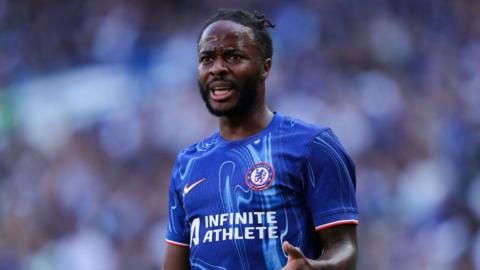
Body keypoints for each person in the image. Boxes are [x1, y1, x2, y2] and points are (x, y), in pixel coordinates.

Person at [164, 9, 358, 270]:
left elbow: (345, 248)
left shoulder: (312, 146)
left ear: (265, 67)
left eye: (234, 56)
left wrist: (313, 267)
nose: (218, 68)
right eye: (207, 58)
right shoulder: (188, 163)